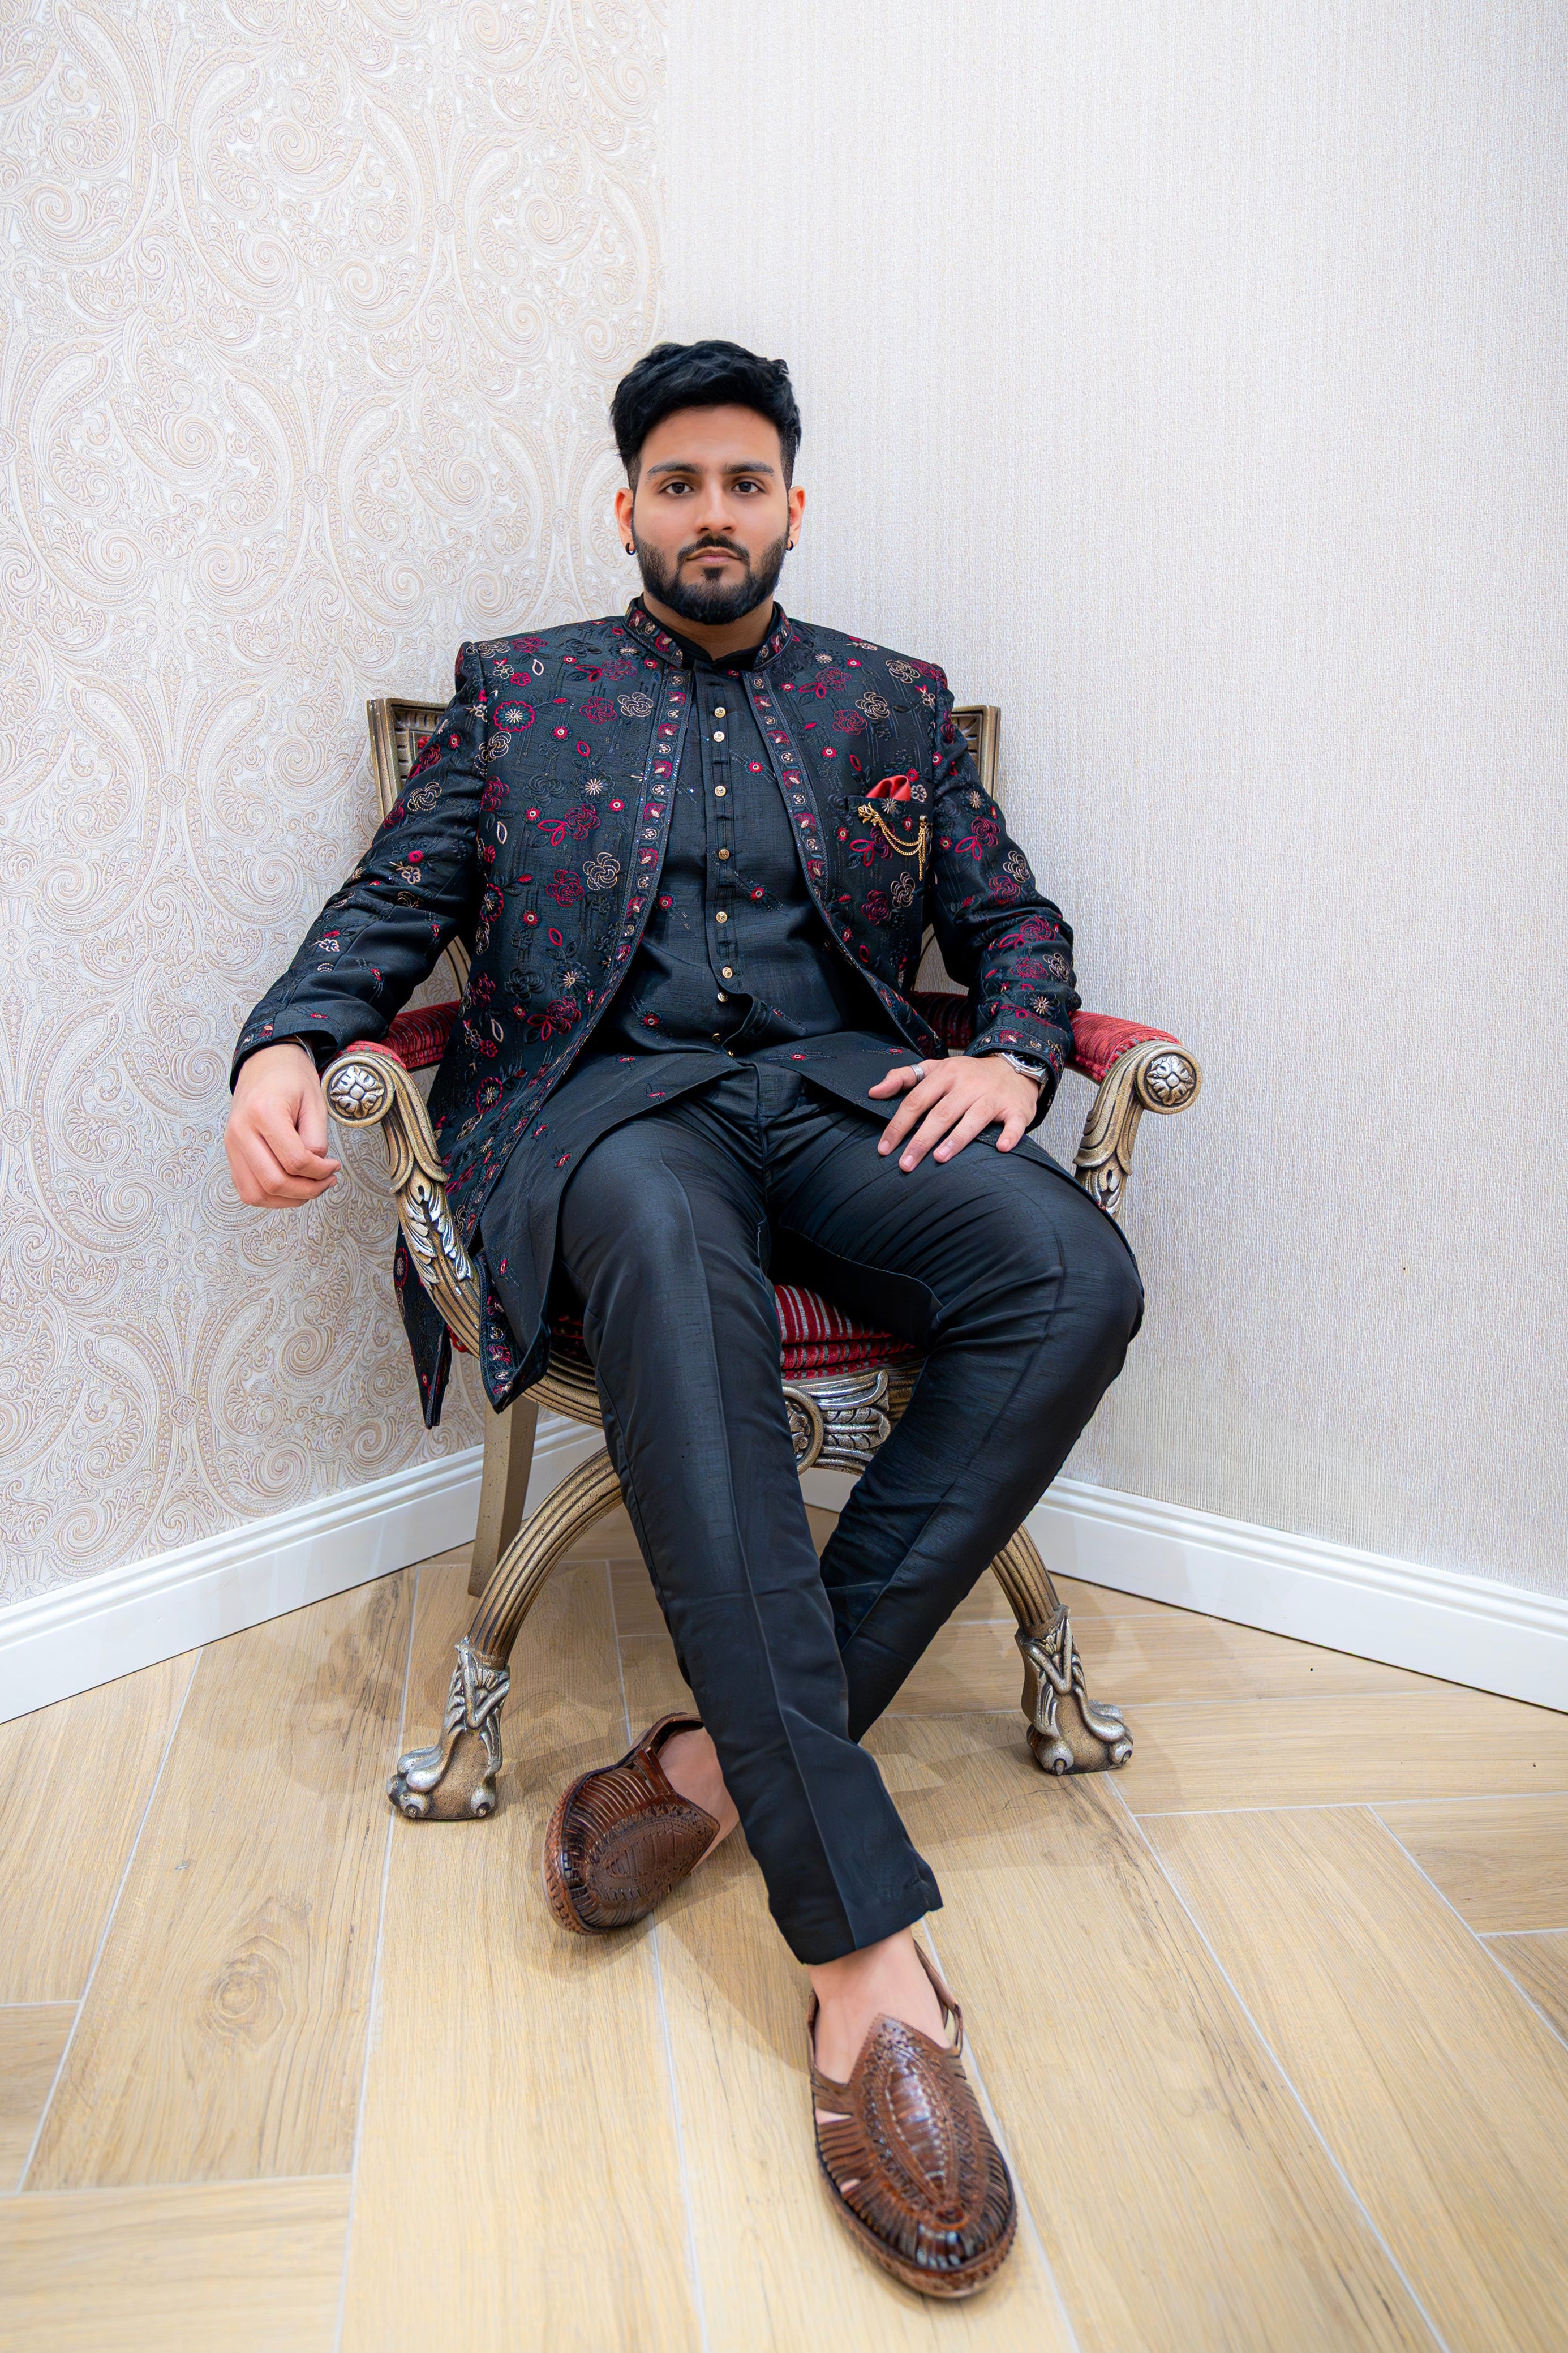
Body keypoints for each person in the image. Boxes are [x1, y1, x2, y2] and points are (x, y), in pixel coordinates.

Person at [226, 339, 1142, 2299]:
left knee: (1073, 1270)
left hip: (833, 1103)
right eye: (675, 484)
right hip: (602, 1120)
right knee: (667, 1271)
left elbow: (1018, 926)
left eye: (745, 484)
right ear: (625, 506)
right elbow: (390, 902)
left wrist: (1002, 1045)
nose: (710, 512)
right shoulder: (519, 692)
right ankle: (869, 1981)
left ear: (789, 507)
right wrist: (287, 1041)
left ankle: (715, 1772)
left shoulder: (889, 700)